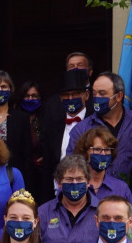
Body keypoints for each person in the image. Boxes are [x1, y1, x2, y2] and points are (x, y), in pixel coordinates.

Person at [65, 72, 132, 184]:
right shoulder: (81, 129)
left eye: (102, 94)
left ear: (119, 96)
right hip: (93, 196)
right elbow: (71, 167)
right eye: (94, 93)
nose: (96, 98)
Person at [37, 69, 92, 204]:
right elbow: (48, 167)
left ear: (86, 95)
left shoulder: (96, 125)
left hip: (89, 195)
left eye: (75, 94)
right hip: (58, 196)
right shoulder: (53, 128)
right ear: (60, 98)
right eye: (66, 95)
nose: (70, 98)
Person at [37, 154, 100, 243]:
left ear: (88, 182)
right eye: (69, 179)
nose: (75, 183)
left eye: (79, 179)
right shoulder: (43, 212)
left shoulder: (102, 211)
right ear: (59, 183)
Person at [0, 71, 35, 183]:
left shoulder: (21, 118)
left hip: (14, 176)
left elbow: (27, 155)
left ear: (10, 89)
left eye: (4, 87)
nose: (0, 90)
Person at [72, 126, 132, 205]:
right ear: (85, 152)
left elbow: (130, 216)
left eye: (107, 150)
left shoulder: (121, 189)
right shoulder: (72, 185)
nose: (103, 154)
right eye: (97, 149)